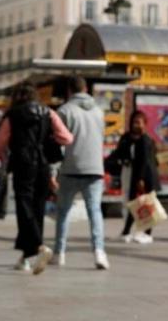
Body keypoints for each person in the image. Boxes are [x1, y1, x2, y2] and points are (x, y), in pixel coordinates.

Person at [0, 82, 72, 274]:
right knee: (37, 209)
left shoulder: (13, 115)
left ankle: (38, 247)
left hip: (22, 165)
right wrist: (49, 138)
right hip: (43, 166)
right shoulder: (48, 113)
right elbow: (67, 138)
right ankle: (26, 257)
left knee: (24, 207)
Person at [51, 76, 109, 270]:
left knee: (63, 212)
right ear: (86, 89)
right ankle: (99, 252)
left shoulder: (64, 111)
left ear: (69, 91)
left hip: (70, 168)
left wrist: (53, 171)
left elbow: (58, 144)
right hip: (94, 168)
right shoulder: (99, 112)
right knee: (95, 211)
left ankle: (59, 253)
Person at [107, 109, 160, 244]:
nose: (137, 125)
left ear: (145, 124)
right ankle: (126, 232)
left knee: (147, 205)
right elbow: (119, 153)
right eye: (134, 122)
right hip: (133, 175)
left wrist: (141, 178)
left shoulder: (146, 140)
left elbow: (146, 161)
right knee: (133, 204)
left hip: (145, 176)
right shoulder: (127, 138)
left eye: (139, 122)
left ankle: (147, 234)